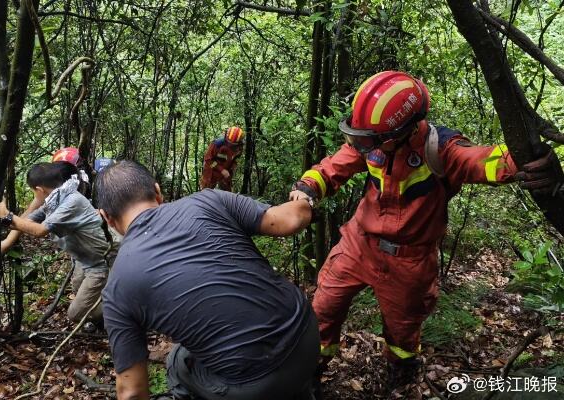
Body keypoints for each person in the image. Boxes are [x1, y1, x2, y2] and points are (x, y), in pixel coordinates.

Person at [289, 70, 563, 391]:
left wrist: (532, 162)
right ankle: (310, 371)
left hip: (409, 262)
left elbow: (484, 160)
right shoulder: (373, 142)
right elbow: (333, 166)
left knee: (403, 333)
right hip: (358, 244)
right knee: (323, 309)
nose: (360, 144)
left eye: (367, 139)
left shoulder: (442, 150)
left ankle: (400, 376)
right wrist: (307, 188)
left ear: (399, 133)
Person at [96, 160, 318, 400]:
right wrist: (305, 198)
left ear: (106, 217)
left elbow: (131, 393)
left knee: (178, 360)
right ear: (157, 192)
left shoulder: (117, 286)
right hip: (308, 336)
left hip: (256, 384)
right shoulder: (209, 200)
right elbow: (291, 220)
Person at [0, 161, 117, 324]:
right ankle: (108, 310)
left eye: (34, 193)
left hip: (103, 261)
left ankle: (124, 312)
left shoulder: (71, 202)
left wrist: (7, 216)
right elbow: (26, 221)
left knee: (76, 314)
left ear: (39, 190)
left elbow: (39, 230)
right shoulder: (57, 199)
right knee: (78, 288)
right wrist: (5, 239)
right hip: (86, 260)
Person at [200, 126, 245, 191]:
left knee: (227, 192)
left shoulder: (239, 147)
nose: (230, 145)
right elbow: (208, 160)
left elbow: (236, 158)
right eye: (229, 143)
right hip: (212, 169)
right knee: (206, 192)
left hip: (226, 171)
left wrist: (233, 166)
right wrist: (221, 169)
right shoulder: (217, 145)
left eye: (233, 144)